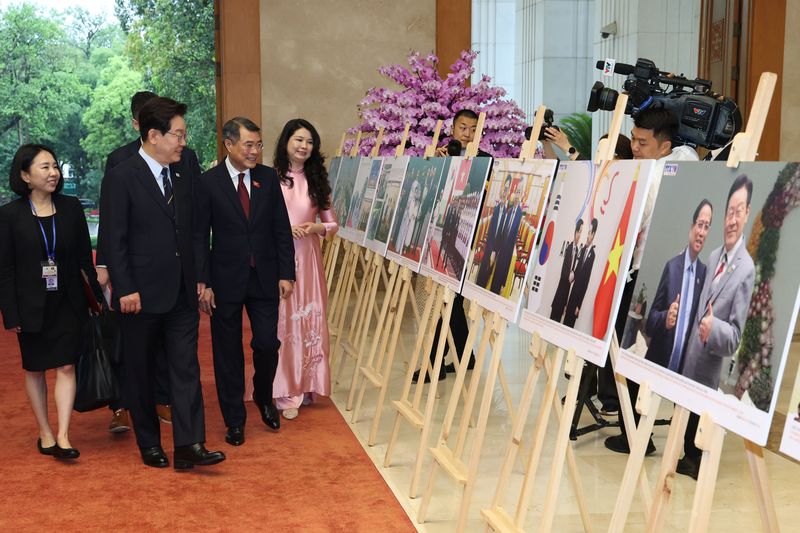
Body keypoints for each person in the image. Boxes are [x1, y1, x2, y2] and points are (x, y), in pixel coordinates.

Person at [98, 96, 225, 469]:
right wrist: (124, 288)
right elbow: (113, 238)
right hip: (140, 294)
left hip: (183, 290)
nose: (184, 142)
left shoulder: (185, 168)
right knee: (139, 370)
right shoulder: (122, 175)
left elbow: (196, 228)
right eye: (178, 135)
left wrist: (201, 276)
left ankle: (190, 444)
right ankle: (149, 443)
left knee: (186, 368)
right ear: (154, 135)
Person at [194, 117, 295, 443]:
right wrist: (203, 282)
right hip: (225, 279)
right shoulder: (208, 183)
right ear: (229, 144)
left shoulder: (267, 178)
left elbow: (281, 228)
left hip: (264, 276)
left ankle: (264, 396)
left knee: (267, 343)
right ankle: (234, 418)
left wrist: (286, 273)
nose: (255, 151)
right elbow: (199, 237)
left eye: (258, 144)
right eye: (248, 145)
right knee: (227, 352)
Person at [0, 144, 102, 460]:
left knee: (67, 365)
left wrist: (96, 300)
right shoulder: (9, 215)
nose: (53, 172)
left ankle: (63, 435)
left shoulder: (71, 208)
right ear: (25, 175)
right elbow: (5, 269)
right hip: (29, 304)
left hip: (68, 300)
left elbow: (85, 259)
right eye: (44, 167)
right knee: (35, 369)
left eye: (55, 166)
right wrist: (10, 313)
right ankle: (44, 430)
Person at [604, 199, 712, 455]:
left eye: (707, 227)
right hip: (659, 357)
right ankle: (635, 435)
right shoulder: (672, 268)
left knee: (694, 392)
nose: (701, 231)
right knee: (633, 367)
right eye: (699, 224)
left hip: (686, 365)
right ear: (691, 227)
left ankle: (692, 455)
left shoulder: (704, 274)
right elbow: (651, 318)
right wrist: (666, 318)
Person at [677, 175, 755, 479]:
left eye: (739, 212)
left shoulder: (746, 269)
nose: (732, 220)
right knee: (684, 421)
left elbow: (734, 335)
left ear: (747, 213)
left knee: (699, 429)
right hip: (689, 361)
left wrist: (713, 327)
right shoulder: (713, 255)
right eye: (729, 212)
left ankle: (695, 460)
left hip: (709, 367)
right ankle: (685, 453)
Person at [414, 109, 491, 383]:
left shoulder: (485, 161)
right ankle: (464, 353)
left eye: (472, 129)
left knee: (450, 300)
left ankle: (434, 362)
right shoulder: (441, 155)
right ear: (453, 128)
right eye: (462, 128)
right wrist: (435, 166)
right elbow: (428, 194)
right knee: (450, 300)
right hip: (440, 235)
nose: (467, 134)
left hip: (467, 240)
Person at [271, 118, 338, 420]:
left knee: (309, 318)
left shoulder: (317, 179)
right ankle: (285, 389)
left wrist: (316, 227)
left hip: (309, 258)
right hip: (280, 256)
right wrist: (284, 230)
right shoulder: (271, 178)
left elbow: (334, 223)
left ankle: (307, 383)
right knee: (283, 321)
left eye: (309, 142)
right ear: (286, 141)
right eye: (299, 140)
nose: (304, 146)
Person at [490, 184, 524, 295]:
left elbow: (514, 237)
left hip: (508, 250)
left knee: (500, 278)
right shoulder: (508, 211)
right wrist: (495, 249)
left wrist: (504, 281)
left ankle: (500, 286)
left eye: (519, 192)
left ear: (522, 195)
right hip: (500, 247)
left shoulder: (519, 214)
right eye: (516, 192)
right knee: (494, 277)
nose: (517, 195)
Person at [564, 218, 597, 327]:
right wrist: (570, 275)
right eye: (588, 233)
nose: (588, 236)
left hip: (578, 298)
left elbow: (586, 282)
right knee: (565, 321)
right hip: (572, 293)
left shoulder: (592, 255)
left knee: (571, 323)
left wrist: (579, 305)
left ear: (594, 235)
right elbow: (576, 271)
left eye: (591, 234)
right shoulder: (582, 250)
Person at [550, 219, 583, 323]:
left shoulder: (577, 250)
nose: (579, 235)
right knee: (552, 320)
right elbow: (563, 272)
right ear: (575, 232)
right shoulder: (569, 248)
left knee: (558, 322)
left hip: (565, 295)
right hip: (560, 293)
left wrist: (572, 276)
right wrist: (569, 276)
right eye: (579, 232)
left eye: (581, 232)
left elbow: (573, 273)